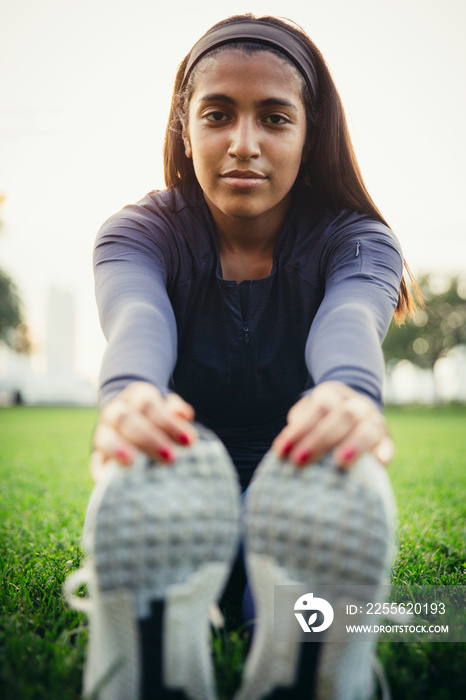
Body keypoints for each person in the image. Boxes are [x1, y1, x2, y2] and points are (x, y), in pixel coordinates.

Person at [66, 13, 417, 700]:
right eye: (219, 115)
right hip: (181, 501)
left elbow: (351, 317)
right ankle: (147, 651)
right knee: (143, 471)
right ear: (185, 123)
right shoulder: (137, 233)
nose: (244, 145)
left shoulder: (360, 240)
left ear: (310, 133)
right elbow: (136, 315)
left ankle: (317, 653)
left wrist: (346, 393)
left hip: (301, 501)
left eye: (276, 119)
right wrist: (133, 393)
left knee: (364, 563)